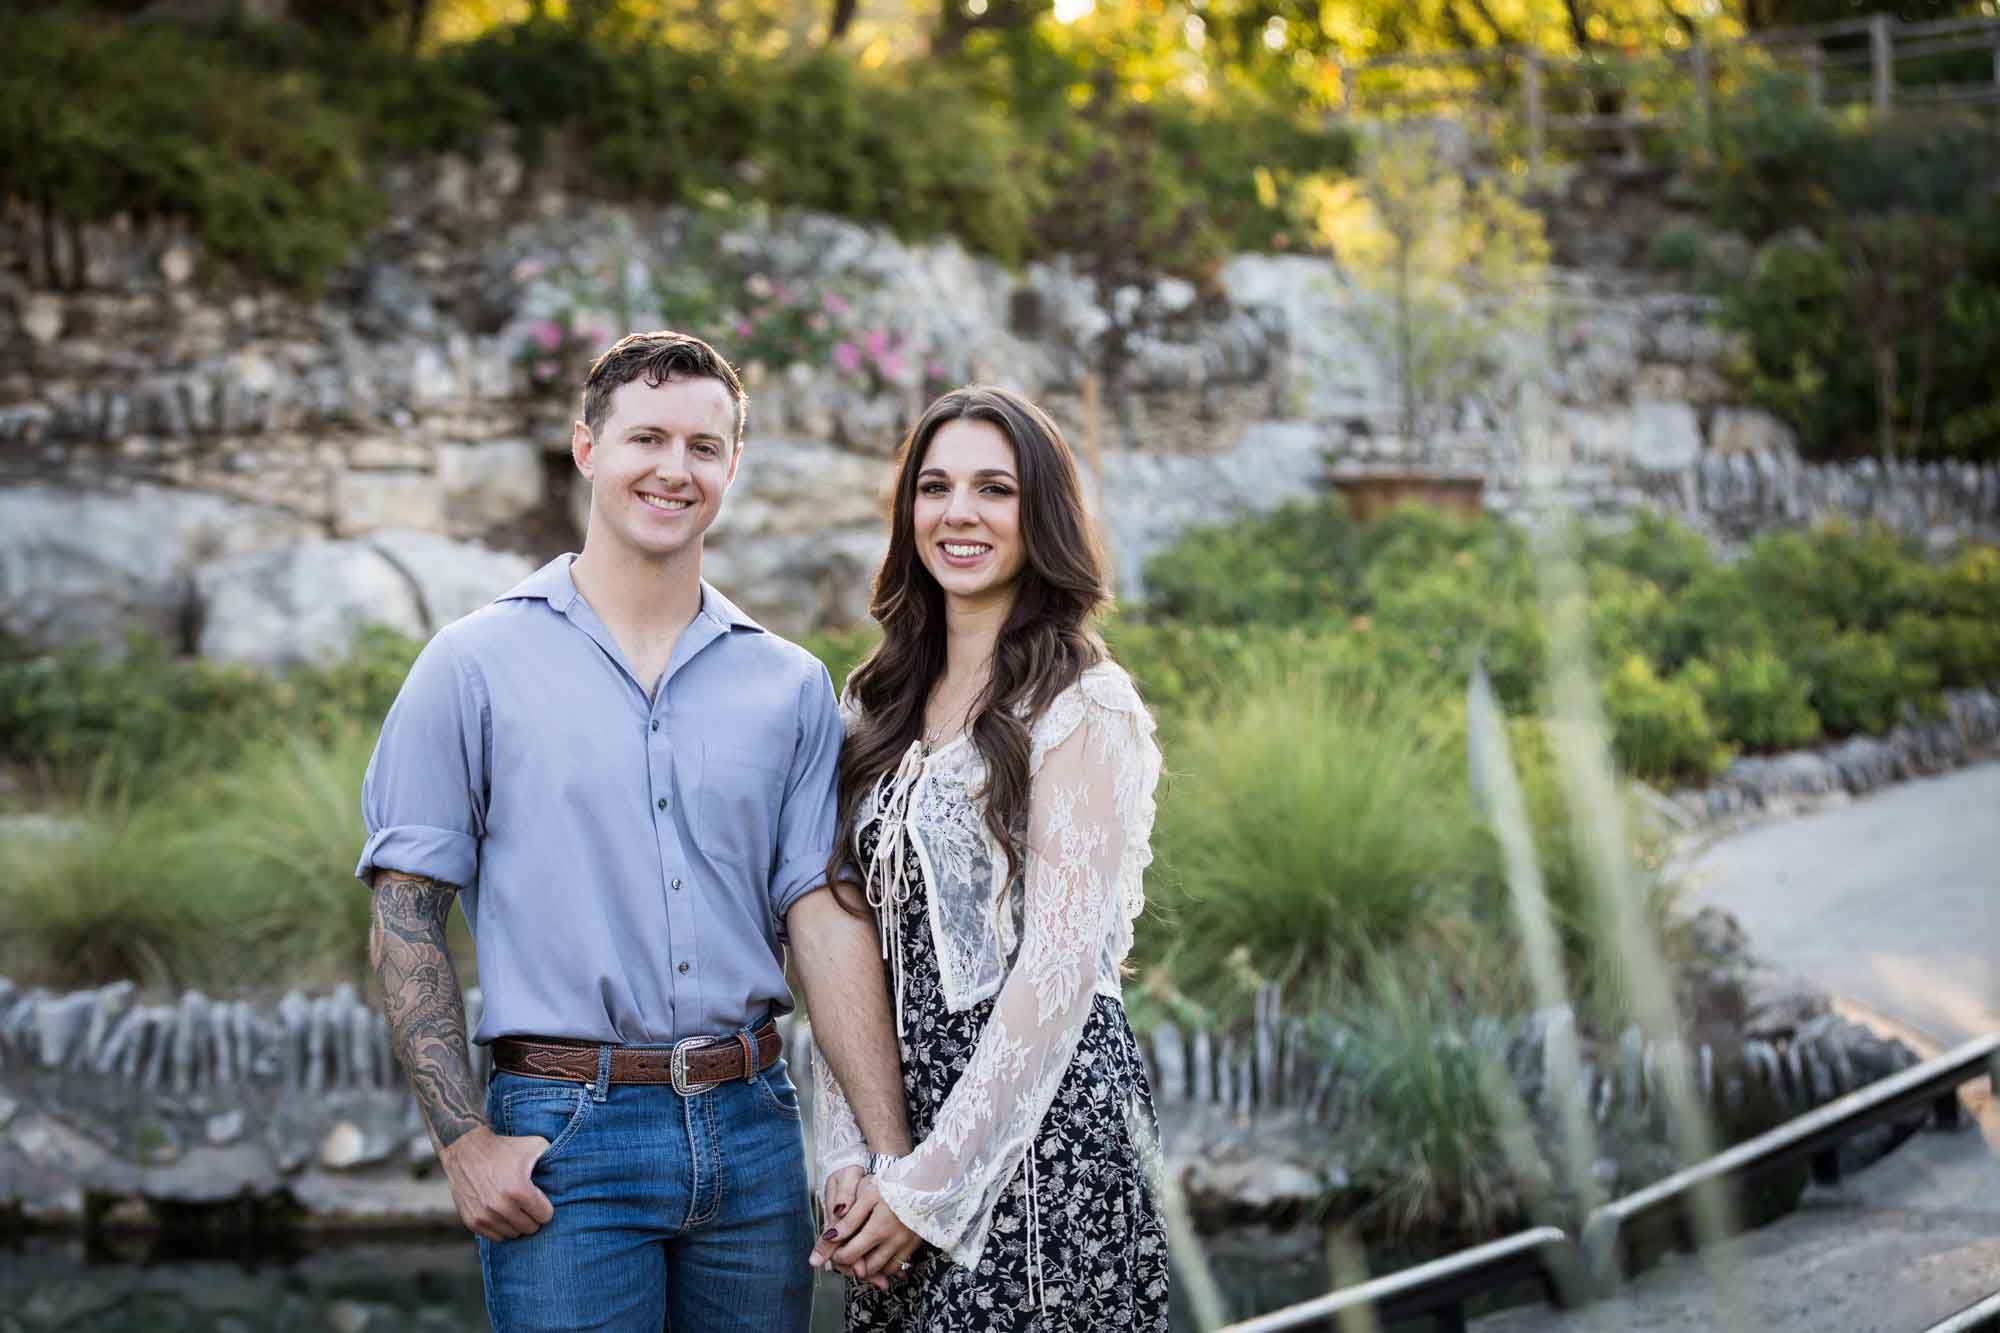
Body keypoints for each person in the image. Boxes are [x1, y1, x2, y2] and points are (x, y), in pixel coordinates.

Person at [357, 330, 913, 1333]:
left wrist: (885, 1155)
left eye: (703, 446)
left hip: (751, 1130)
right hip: (565, 1138)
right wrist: (462, 1143)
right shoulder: (472, 664)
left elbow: (822, 918)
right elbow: (406, 909)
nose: (673, 468)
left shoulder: (786, 684)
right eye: (645, 437)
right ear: (586, 449)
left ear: (732, 466)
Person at [807, 385, 1171, 1330]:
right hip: (904, 1124)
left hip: (1040, 1128)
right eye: (934, 487)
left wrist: (928, 1187)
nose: (957, 512)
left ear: (1038, 512)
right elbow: (846, 939)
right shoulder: (873, 702)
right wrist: (851, 1152)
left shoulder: (1085, 703)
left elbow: (1059, 969)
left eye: (993, 489)